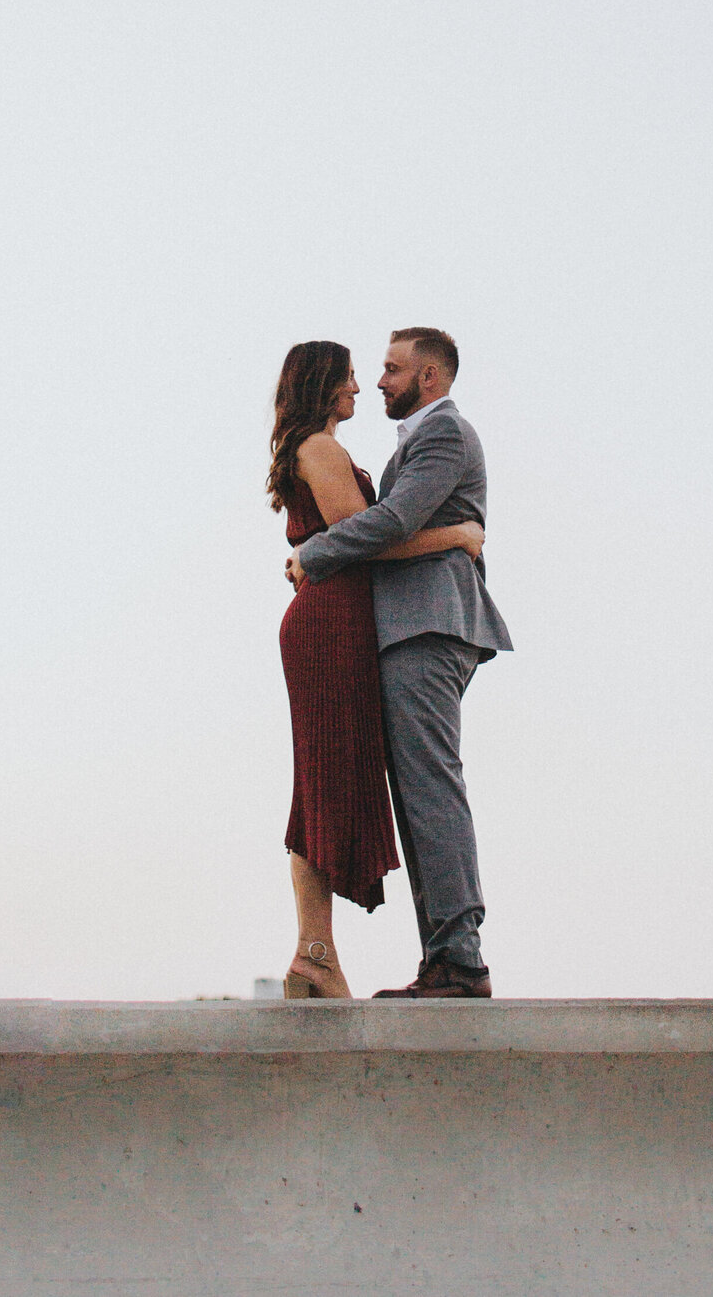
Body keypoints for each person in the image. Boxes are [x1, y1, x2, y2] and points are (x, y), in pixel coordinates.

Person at [286, 328, 512, 999]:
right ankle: (443, 958)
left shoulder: (444, 434)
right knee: (419, 792)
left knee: (431, 786)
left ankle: (460, 959)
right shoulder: (412, 442)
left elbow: (392, 521)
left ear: (431, 376)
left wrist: (314, 555)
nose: (379, 381)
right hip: (406, 628)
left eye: (391, 369)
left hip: (429, 624)